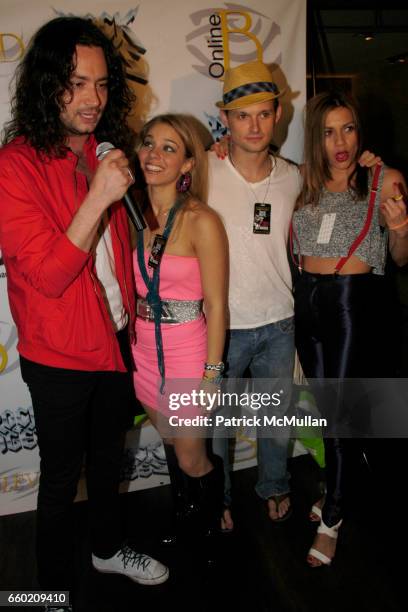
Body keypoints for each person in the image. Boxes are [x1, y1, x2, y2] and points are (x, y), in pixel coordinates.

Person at [0, 16, 169, 606]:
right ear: (47, 85)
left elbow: (117, 250)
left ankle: (105, 549)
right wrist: (99, 195)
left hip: (115, 339)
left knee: (107, 464)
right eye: (75, 83)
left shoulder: (105, 151)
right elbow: (47, 275)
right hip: (59, 355)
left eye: (100, 84)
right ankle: (48, 590)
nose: (91, 99)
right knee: (57, 481)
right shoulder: (14, 166)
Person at [292, 91, 408, 566]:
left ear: (360, 131)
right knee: (328, 410)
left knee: (340, 415)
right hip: (308, 303)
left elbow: (400, 259)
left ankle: (333, 516)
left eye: (348, 128)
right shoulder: (304, 186)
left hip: (349, 306)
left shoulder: (384, 180)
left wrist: (400, 229)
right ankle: (339, 484)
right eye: (328, 131)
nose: (340, 142)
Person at [208, 60, 302, 529]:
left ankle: (275, 486)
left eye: (263, 114)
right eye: (243, 115)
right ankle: (217, 497)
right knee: (217, 426)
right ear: (225, 118)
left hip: (280, 321)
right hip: (222, 326)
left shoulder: (293, 177)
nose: (254, 125)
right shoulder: (202, 170)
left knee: (276, 421)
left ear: (279, 113)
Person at [132, 114, 228, 557]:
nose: (154, 154)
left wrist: (211, 375)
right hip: (145, 356)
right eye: (149, 143)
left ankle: (209, 525)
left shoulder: (201, 220)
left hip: (188, 354)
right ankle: (183, 511)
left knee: (192, 456)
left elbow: (216, 304)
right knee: (171, 446)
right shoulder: (131, 214)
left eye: (169, 148)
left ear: (189, 164)